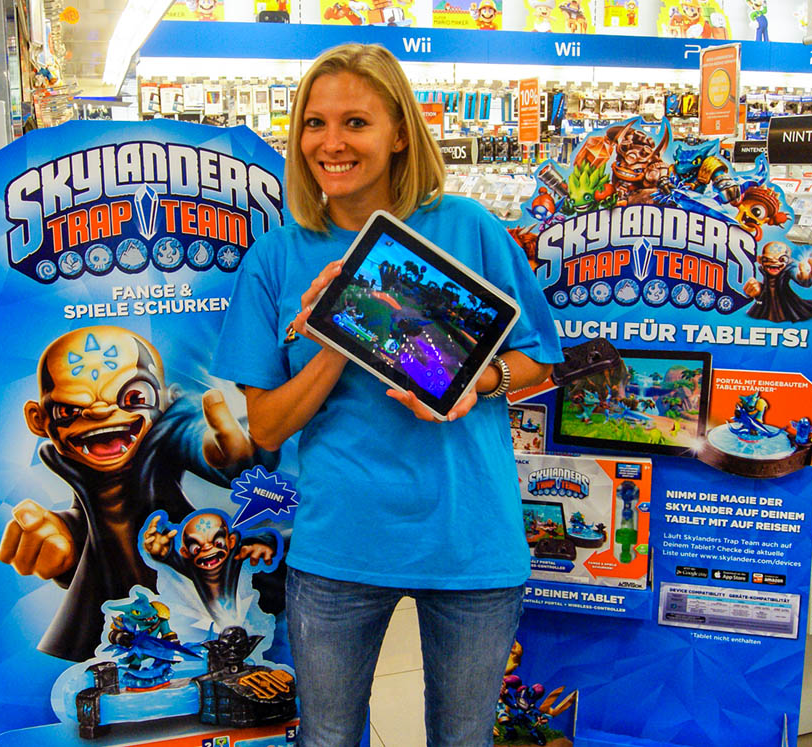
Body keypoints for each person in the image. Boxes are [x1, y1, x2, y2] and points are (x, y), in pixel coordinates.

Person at [210, 43, 562, 746]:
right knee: (328, 737)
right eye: (315, 123)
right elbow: (268, 428)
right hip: (341, 542)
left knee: (463, 739)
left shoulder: (468, 226)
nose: (331, 143)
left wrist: (482, 381)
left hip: (469, 535)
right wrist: (337, 330)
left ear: (400, 132)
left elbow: (540, 359)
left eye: (356, 123)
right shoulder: (277, 256)